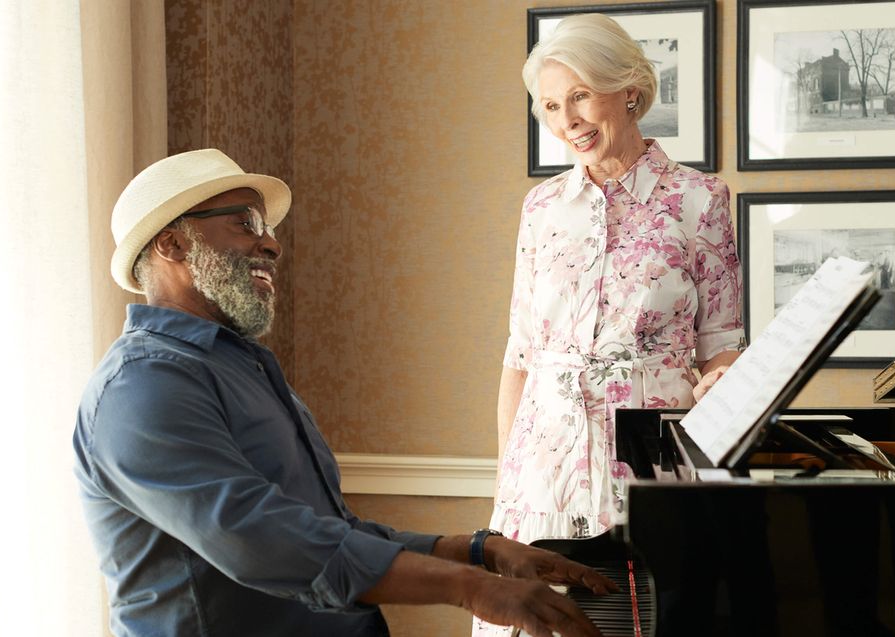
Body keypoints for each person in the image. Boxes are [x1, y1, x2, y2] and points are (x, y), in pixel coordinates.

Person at [73, 148, 616, 637]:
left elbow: (331, 531)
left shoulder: (241, 366)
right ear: (173, 243)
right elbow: (260, 539)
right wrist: (471, 588)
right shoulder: (142, 386)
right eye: (245, 224)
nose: (271, 242)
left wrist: (475, 551)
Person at [483, 15, 744, 632]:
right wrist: (508, 484)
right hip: (543, 468)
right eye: (550, 105)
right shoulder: (541, 208)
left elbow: (724, 347)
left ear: (628, 89)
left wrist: (720, 380)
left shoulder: (700, 200)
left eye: (579, 96)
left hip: (651, 465)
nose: (565, 120)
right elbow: (520, 355)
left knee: (645, 622)